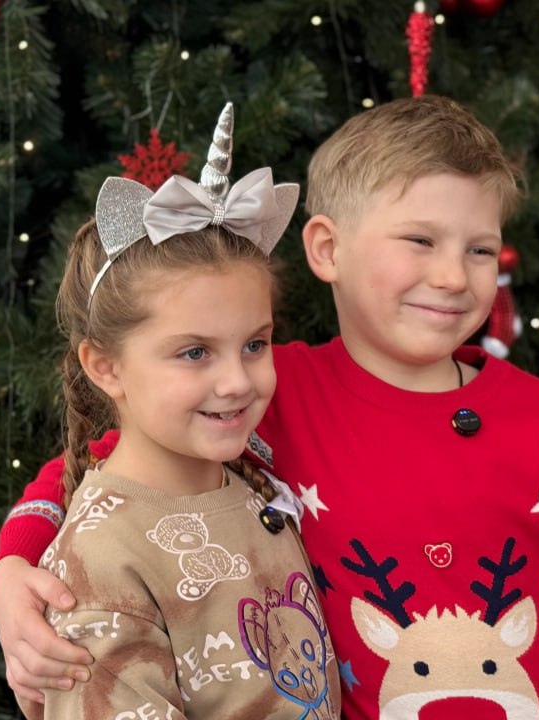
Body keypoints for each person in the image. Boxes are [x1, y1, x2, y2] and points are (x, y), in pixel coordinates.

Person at [0, 96, 539, 720]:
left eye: (479, 249)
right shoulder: (270, 391)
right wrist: (12, 570)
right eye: (420, 242)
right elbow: (105, 472)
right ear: (328, 249)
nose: (454, 276)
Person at [23, 103, 339, 720]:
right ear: (106, 367)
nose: (237, 381)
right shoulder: (102, 561)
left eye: (255, 344)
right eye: (195, 352)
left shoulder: (254, 482)